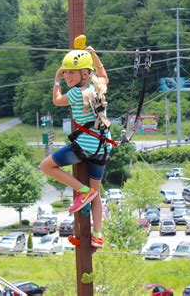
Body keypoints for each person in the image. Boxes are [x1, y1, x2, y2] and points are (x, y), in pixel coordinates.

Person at [40, 46, 111, 249]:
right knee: (96, 194)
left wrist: (56, 80)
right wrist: (94, 54)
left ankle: (82, 190)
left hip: (85, 146)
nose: (67, 76)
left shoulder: (74, 94)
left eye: (71, 72)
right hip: (104, 145)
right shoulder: (99, 86)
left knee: (46, 166)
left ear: (84, 73)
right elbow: (103, 75)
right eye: (65, 72)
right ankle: (98, 235)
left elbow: (56, 100)